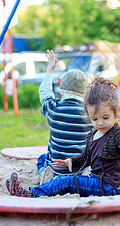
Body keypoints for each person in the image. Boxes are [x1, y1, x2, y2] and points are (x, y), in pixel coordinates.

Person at [6, 76, 120, 198]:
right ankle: (36, 190)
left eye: (105, 117)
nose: (100, 123)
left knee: (67, 182)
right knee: (62, 179)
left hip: (111, 187)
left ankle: (30, 193)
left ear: (116, 111)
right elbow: (86, 158)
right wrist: (71, 161)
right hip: (98, 182)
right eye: (94, 119)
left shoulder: (119, 134)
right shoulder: (93, 134)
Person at [37, 50, 93, 183]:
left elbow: (44, 91)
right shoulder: (91, 114)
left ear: (61, 89)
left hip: (58, 169)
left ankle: (48, 174)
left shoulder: (53, 108)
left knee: (41, 159)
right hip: (80, 167)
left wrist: (50, 70)